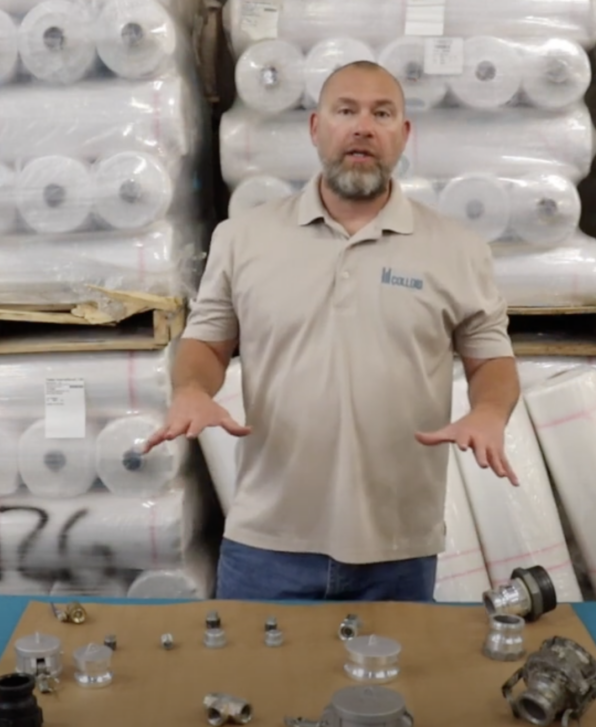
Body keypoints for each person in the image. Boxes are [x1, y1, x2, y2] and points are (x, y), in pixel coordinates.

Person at [143, 60, 521, 602]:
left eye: (381, 114)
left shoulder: (457, 249)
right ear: (316, 128)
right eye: (346, 111)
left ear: (403, 134)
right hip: (266, 542)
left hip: (398, 547)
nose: (363, 127)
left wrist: (489, 412)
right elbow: (207, 341)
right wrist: (191, 388)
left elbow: (492, 360)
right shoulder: (242, 238)